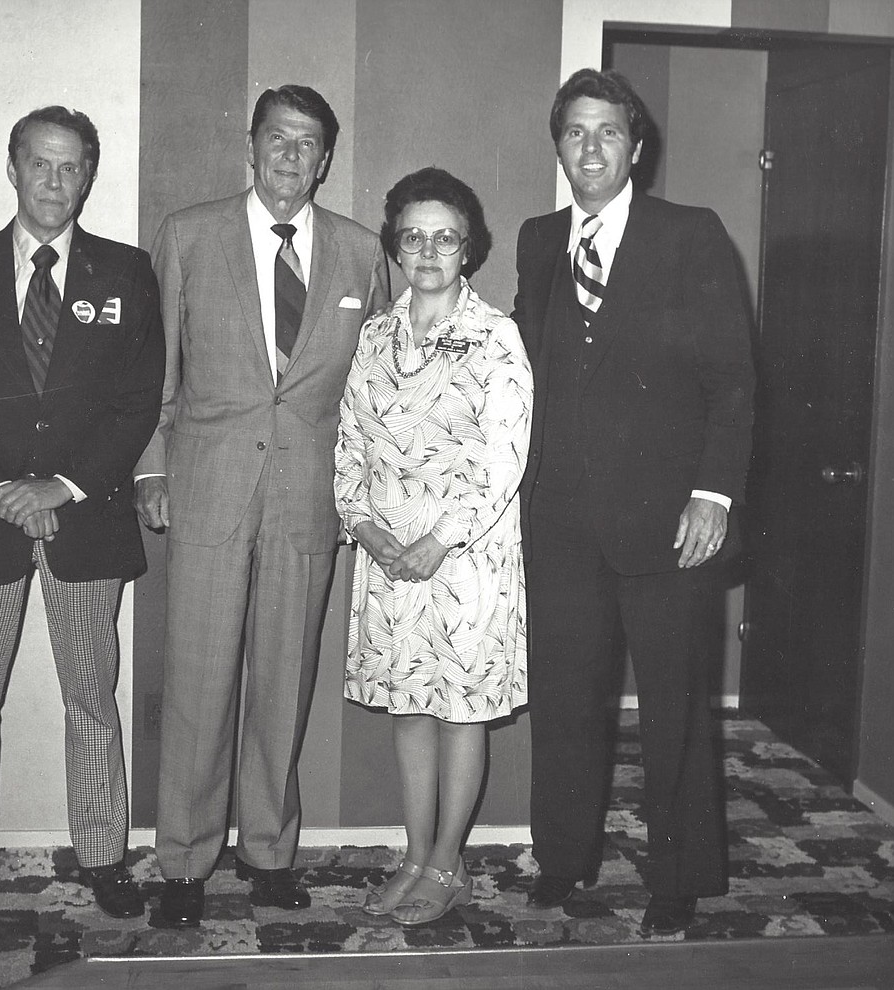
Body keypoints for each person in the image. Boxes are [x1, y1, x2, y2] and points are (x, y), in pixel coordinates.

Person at [134, 84, 390, 927]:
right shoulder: (189, 233)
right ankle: (184, 862)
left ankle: (269, 852)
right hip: (206, 488)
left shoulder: (360, 253)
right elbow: (153, 369)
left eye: (307, 142)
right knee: (200, 681)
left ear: (325, 159)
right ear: (251, 146)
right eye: (276, 137)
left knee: (285, 679)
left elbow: (378, 392)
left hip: (308, 501)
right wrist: (149, 469)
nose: (290, 154)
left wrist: (365, 495)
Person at [0, 106, 164, 924]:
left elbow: (136, 403)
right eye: (40, 164)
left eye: (71, 167)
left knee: (93, 697)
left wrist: (63, 488)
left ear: (89, 175)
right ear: (11, 167)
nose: (55, 182)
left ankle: (101, 857)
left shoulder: (125, 272)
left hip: (85, 521)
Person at [513, 69, 755, 935]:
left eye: (607, 132)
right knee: (566, 699)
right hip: (562, 525)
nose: (590, 148)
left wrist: (713, 494)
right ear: (559, 144)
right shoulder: (539, 241)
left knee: (676, 709)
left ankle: (679, 876)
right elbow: (522, 378)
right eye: (576, 132)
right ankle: (565, 859)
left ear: (636, 146)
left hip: (669, 524)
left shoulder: (690, 235)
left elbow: (733, 381)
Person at [335, 168, 531, 925]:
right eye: (413, 236)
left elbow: (501, 460)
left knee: (458, 713)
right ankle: (413, 856)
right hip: (387, 558)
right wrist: (368, 526)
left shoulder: (495, 337)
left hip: (465, 561)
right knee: (408, 710)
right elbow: (349, 442)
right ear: (395, 245)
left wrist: (437, 540)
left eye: (444, 237)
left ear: (468, 250)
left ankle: (447, 863)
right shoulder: (378, 333)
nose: (428, 250)